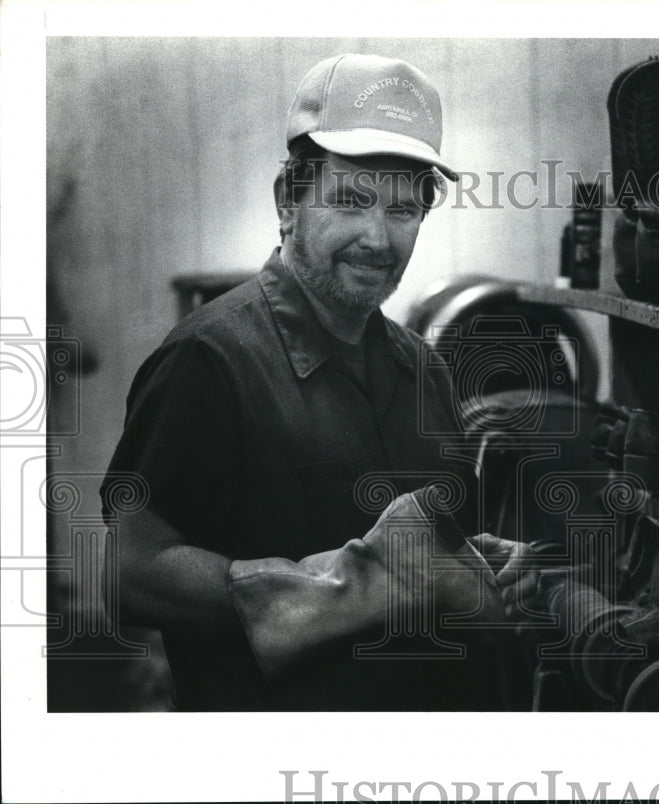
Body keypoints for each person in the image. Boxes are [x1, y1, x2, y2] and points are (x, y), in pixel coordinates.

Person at [102, 54, 537, 711]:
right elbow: (133, 575)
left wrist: (478, 564)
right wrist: (346, 586)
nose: (376, 237)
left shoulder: (425, 370)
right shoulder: (209, 360)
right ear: (289, 199)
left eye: (402, 210)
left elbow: (416, 550)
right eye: (352, 201)